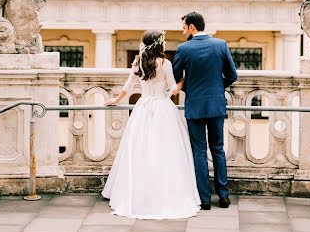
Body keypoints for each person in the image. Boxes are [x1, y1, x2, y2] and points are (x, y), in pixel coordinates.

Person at [102, 30, 201, 219]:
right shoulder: (165, 64)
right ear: (159, 44)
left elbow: (128, 86)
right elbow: (173, 90)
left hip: (143, 108)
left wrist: (116, 99)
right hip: (163, 109)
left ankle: (138, 194)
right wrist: (184, 79)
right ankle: (165, 193)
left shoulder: (138, 62)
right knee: (166, 151)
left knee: (140, 150)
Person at [172, 12, 238, 210]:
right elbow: (232, 75)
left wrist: (189, 87)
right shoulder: (220, 45)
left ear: (192, 27)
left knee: (199, 152)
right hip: (216, 104)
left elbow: (175, 78)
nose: (183, 31)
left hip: (195, 106)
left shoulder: (183, 49)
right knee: (217, 149)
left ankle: (204, 198)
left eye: (184, 27)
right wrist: (218, 86)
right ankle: (224, 195)